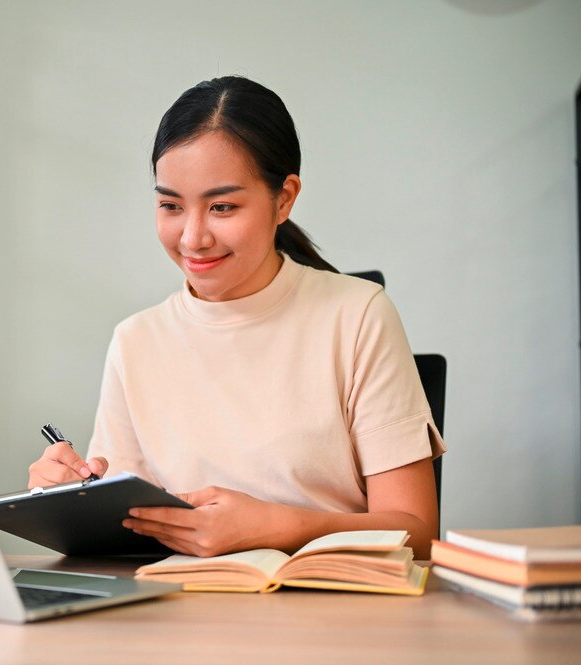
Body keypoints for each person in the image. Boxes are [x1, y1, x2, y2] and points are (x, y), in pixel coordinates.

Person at [27, 76, 445, 559]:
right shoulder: (135, 340)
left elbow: (416, 531)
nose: (192, 238)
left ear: (284, 198)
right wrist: (62, 497)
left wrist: (277, 526)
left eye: (222, 206)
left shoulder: (358, 315)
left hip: (332, 614)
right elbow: (125, 529)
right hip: (177, 617)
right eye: (170, 206)